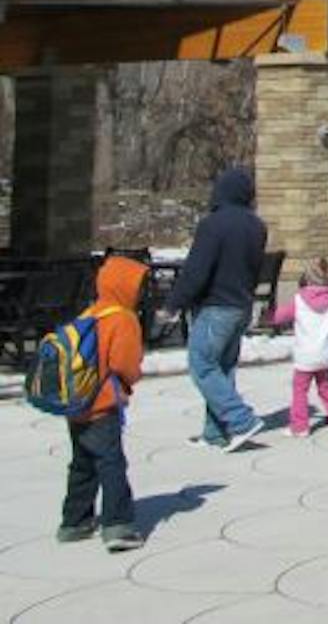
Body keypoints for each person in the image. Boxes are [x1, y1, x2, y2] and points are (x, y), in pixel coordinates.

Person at [164, 166, 267, 452]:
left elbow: (197, 270)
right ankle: (215, 433)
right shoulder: (257, 226)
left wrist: (174, 302)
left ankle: (241, 420)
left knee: (202, 365)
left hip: (215, 306)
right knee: (224, 368)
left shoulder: (214, 224)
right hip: (241, 304)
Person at [56, 254, 149, 552]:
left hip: (76, 402)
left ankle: (74, 522)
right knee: (111, 462)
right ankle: (118, 524)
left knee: (82, 463)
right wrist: (129, 381)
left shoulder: (91, 312)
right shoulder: (122, 318)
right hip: (102, 403)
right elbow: (124, 363)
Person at [268, 257, 328, 437]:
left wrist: (269, 313)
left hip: (306, 355)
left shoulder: (299, 299)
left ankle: (300, 426)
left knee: (300, 390)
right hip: (327, 352)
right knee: (325, 385)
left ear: (307, 277)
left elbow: (278, 317)